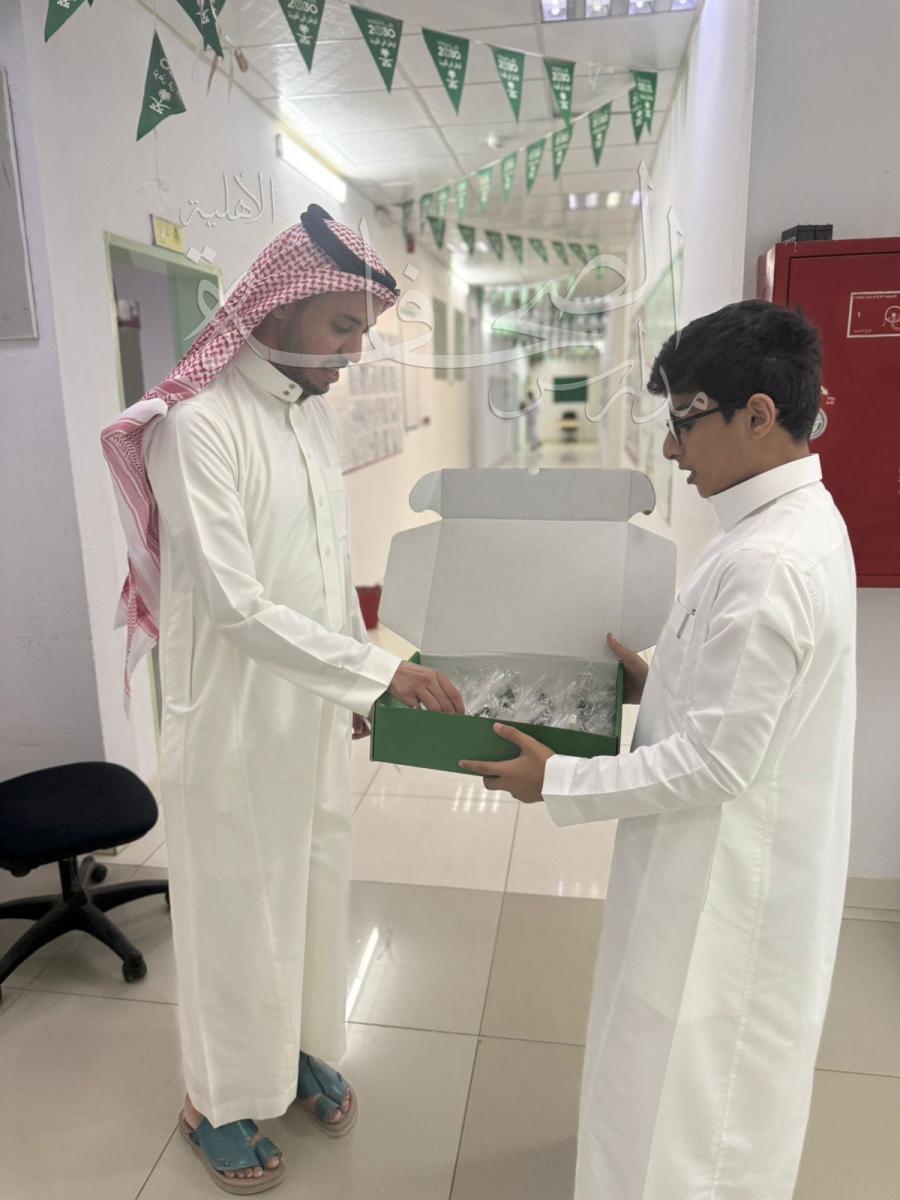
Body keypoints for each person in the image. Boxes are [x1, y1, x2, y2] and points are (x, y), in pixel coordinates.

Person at [101, 205, 463, 1194]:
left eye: (363, 331)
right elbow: (235, 604)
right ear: (279, 307)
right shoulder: (197, 427)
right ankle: (216, 1100)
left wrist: (350, 676)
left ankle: (296, 1053)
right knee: (234, 916)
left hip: (306, 714)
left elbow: (327, 571)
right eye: (342, 326)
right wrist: (377, 673)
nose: (353, 352)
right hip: (230, 724)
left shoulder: (308, 416)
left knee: (311, 890)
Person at [460, 300, 856, 1200]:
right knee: (659, 1081)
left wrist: (558, 779)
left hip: (727, 890)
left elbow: (717, 762)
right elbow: (743, 697)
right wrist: (658, 680)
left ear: (758, 414)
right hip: (711, 862)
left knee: (695, 1114)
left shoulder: (769, 562)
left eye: (684, 421)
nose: (672, 450)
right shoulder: (780, 524)